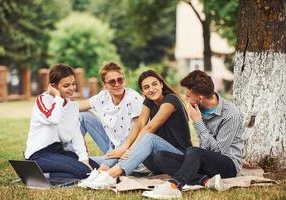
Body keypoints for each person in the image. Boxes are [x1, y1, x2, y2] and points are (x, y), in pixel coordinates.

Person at [79, 70, 192, 190]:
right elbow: (140, 124)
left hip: (179, 158)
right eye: (146, 87)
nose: (151, 89)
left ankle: (110, 175)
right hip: (159, 161)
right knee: (128, 140)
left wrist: (129, 149)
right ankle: (102, 170)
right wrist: (125, 147)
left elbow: (150, 127)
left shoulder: (171, 100)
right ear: (143, 91)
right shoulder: (149, 101)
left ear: (161, 84)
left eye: (154, 84)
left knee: (148, 138)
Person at [143, 70, 244, 199]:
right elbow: (204, 150)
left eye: (189, 95)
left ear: (200, 98)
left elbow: (218, 151)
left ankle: (174, 186)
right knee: (160, 157)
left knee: (194, 151)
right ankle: (205, 181)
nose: (186, 96)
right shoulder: (198, 108)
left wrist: (198, 122)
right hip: (204, 161)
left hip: (228, 166)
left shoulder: (231, 114)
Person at [25, 64, 98, 179]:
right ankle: (39, 174)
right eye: (66, 85)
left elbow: (76, 135)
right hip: (39, 154)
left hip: (58, 151)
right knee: (84, 173)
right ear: (54, 86)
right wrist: (58, 96)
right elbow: (54, 119)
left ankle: (51, 175)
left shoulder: (72, 106)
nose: (72, 88)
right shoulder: (42, 100)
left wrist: (84, 160)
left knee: (95, 169)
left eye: (73, 84)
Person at [79, 62, 143, 169]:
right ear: (105, 85)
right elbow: (78, 106)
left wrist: (124, 148)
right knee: (83, 116)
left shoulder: (133, 98)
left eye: (120, 80)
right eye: (112, 82)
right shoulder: (103, 97)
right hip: (110, 144)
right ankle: (74, 153)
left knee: (93, 165)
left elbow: (139, 127)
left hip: (128, 147)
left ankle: (99, 165)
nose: (117, 84)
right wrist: (55, 103)